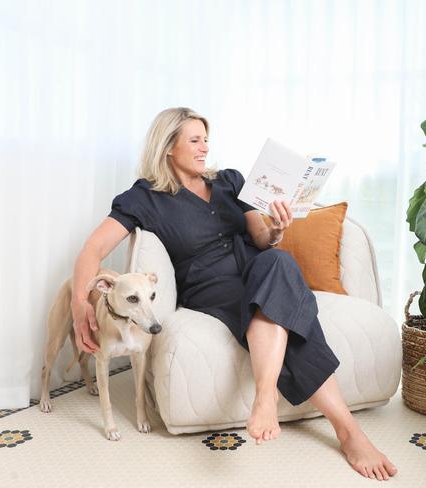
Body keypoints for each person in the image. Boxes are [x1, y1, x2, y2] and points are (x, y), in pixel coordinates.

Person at [71, 107, 398, 481]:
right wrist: (79, 302)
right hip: (210, 284)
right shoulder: (145, 197)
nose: (204, 148)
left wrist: (275, 229)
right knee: (287, 306)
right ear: (167, 148)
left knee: (277, 261)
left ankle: (264, 396)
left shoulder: (230, 181)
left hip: (256, 265)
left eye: (206, 140)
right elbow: (92, 251)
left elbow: (260, 238)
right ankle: (349, 432)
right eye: (195, 140)